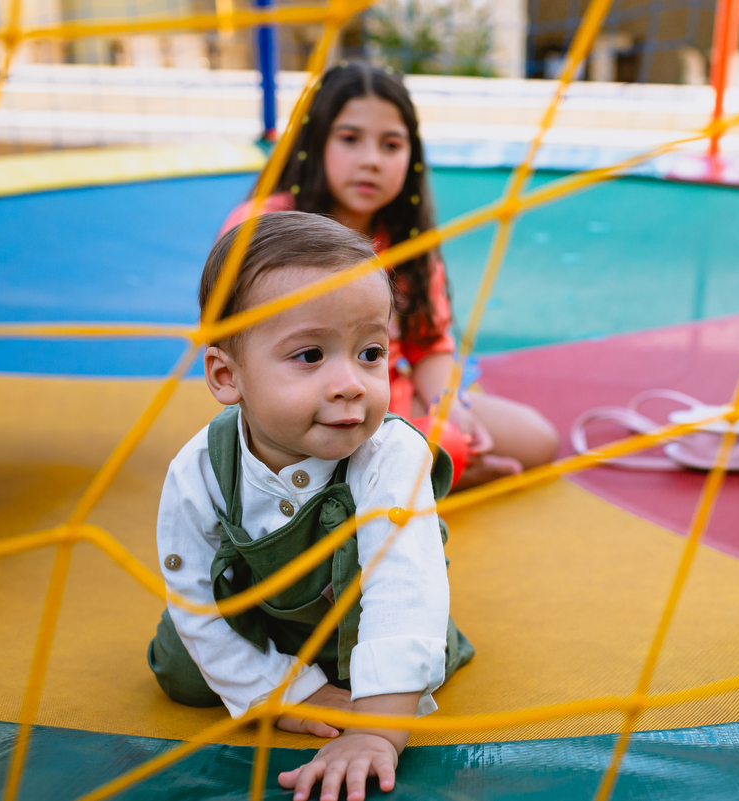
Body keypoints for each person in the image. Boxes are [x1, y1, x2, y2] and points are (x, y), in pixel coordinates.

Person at [148, 212, 474, 801]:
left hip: (364, 616)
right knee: (179, 667)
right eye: (309, 356)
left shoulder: (390, 453)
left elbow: (403, 588)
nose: (351, 383)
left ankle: (374, 677)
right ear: (227, 375)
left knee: (411, 655)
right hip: (266, 617)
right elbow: (193, 592)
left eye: (371, 352)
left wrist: (376, 731)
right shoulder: (199, 469)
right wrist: (287, 692)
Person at [222, 62, 559, 491]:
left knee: (534, 441)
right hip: (293, 407)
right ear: (315, 143)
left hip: (382, 397)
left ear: (411, 158)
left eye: (391, 145)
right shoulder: (262, 228)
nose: (371, 161)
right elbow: (237, 345)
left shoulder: (407, 240)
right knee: (385, 460)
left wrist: (446, 405)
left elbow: (428, 345)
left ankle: (430, 469)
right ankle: (427, 475)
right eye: (349, 139)